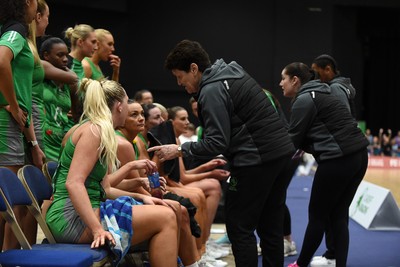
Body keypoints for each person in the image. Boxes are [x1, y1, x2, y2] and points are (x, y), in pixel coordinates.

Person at [148, 39, 296, 267]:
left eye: (180, 76)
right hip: (282, 157)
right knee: (270, 227)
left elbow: (216, 142)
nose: (179, 83)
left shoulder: (211, 89)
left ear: (194, 69)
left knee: (239, 227)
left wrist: (178, 149)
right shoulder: (233, 72)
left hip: (256, 161)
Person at [45, 78, 179, 267]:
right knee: (166, 217)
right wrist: (97, 229)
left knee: (169, 210)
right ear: (119, 106)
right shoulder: (94, 131)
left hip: (85, 210)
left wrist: (141, 197)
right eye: (127, 103)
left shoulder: (100, 129)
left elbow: (104, 187)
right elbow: (73, 183)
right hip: (69, 218)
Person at [279, 62, 369, 267]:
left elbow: (292, 142)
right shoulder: (325, 91)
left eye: (283, 78)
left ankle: (300, 264)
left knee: (317, 216)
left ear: (295, 80)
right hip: (360, 156)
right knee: (338, 214)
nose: (280, 83)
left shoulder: (303, 99)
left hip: (338, 159)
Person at [114, 100, 202, 266]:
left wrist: (153, 187)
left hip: (128, 193)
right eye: (134, 115)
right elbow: (132, 184)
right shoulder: (123, 143)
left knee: (183, 205)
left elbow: (142, 179)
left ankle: (196, 257)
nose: (140, 118)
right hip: (116, 200)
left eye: (141, 114)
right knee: (178, 209)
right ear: (120, 117)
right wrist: (154, 195)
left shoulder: (133, 141)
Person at [0, 0, 47, 250]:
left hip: (15, 127)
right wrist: (13, 105)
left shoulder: (8, 29)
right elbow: (1, 62)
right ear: (28, 3)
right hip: (6, 126)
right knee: (8, 204)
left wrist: (33, 142)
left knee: (11, 206)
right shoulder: (15, 30)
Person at [310, 54, 359, 267]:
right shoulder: (344, 87)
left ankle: (333, 255)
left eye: (316, 71)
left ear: (328, 69)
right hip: (346, 155)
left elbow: (341, 121)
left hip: (340, 155)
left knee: (333, 212)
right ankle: (333, 255)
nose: (314, 76)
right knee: (337, 211)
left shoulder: (336, 89)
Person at [39, 37, 79, 161]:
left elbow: (76, 113)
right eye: (60, 55)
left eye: (66, 55)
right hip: (43, 137)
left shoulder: (70, 85)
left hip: (60, 139)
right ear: (46, 55)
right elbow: (73, 77)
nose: (65, 59)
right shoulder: (40, 71)